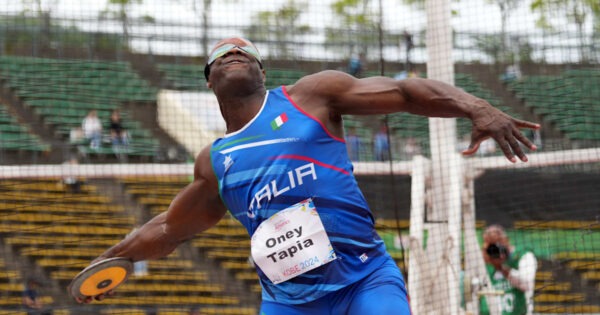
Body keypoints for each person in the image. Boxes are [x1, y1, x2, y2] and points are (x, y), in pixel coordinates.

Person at [70, 37, 540, 314]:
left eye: (244, 50)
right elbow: (169, 228)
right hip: (289, 302)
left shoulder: (310, 97)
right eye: (222, 54)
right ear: (208, 78)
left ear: (262, 68)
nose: (234, 51)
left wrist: (475, 106)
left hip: (364, 280)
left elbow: (402, 91)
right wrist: (113, 259)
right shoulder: (213, 161)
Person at [480, 224, 537, 315]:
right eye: (491, 246)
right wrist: (484, 260)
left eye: (497, 243)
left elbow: (526, 285)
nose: (495, 249)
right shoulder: (484, 262)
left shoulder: (524, 256)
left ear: (506, 240)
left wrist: (501, 268)